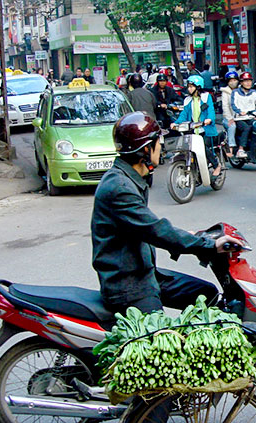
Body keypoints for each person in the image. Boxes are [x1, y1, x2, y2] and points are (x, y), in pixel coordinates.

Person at [91, 112, 242, 314]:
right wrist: (208, 245)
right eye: (158, 142)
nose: (161, 147)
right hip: (128, 286)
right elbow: (155, 230)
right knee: (162, 333)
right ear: (147, 149)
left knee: (207, 294)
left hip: (145, 272)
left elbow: (146, 227)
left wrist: (188, 236)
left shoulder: (128, 178)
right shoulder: (120, 188)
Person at [175, 75, 223, 177]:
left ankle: (216, 165)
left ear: (198, 87)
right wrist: (176, 123)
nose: (189, 89)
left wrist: (209, 119)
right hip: (192, 129)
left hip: (205, 130)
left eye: (191, 86)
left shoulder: (206, 97)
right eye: (188, 86)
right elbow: (184, 114)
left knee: (202, 147)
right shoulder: (188, 100)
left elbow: (211, 111)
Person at [231, 72, 256, 159]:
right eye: (245, 81)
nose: (248, 83)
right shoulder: (235, 92)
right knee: (246, 128)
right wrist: (240, 111)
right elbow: (233, 105)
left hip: (251, 117)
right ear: (241, 83)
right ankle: (240, 150)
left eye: (249, 81)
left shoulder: (253, 93)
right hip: (239, 118)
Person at [220, 71, 239, 156]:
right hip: (228, 118)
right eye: (231, 81)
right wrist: (230, 118)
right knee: (232, 126)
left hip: (241, 117)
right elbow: (225, 107)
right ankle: (230, 148)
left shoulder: (240, 91)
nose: (233, 82)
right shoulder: (225, 92)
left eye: (234, 80)